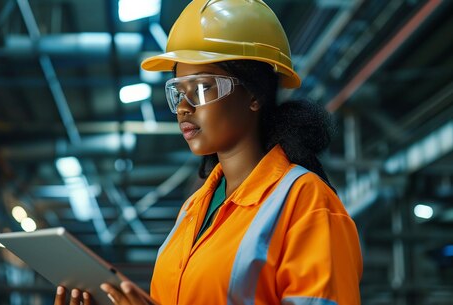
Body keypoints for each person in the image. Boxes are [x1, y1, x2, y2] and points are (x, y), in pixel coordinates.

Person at [55, 0, 362, 304]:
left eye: (202, 88)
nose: (183, 108)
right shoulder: (193, 209)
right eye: (177, 92)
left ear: (254, 94)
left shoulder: (307, 204)